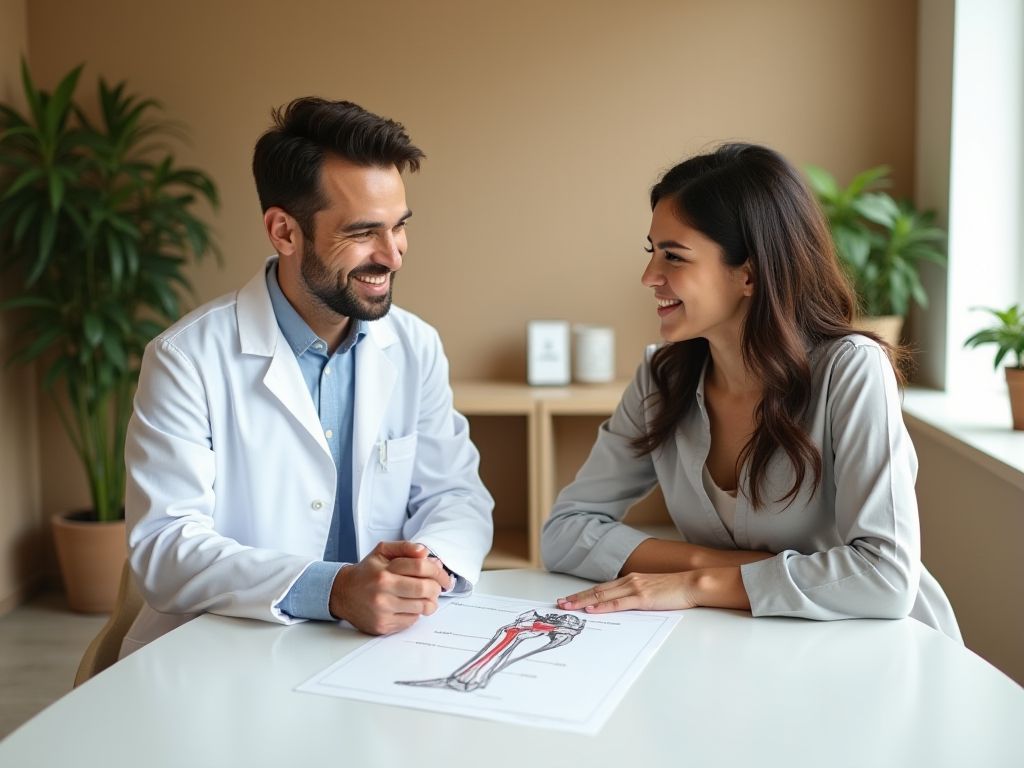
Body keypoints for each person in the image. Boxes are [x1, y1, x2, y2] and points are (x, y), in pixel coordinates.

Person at [541, 143, 960, 641]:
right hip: (749, 647)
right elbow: (564, 532)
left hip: (879, 650)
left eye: (674, 256)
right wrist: (714, 565)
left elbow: (885, 577)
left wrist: (698, 582)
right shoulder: (662, 378)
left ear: (750, 274)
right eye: (651, 251)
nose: (650, 277)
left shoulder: (851, 369)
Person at [120, 97, 493, 655]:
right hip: (228, 650)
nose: (392, 256)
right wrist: (335, 589)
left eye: (399, 227)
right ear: (284, 232)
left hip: (376, 649)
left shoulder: (414, 345)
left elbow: (456, 495)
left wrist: (425, 567)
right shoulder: (185, 358)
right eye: (364, 232)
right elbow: (165, 548)